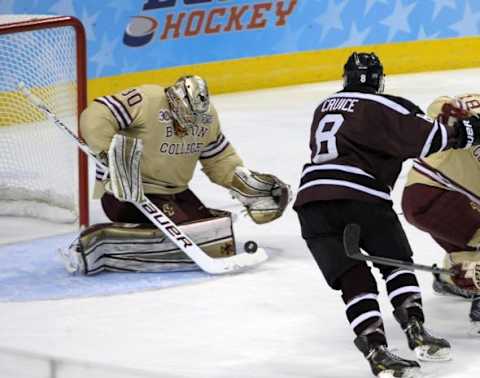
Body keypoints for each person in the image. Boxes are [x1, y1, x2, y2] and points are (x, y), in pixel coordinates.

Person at [293, 52, 480, 378]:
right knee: (396, 263)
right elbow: (429, 138)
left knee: (352, 277)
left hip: (312, 202)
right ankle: (415, 330)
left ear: (345, 78)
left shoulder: (322, 106)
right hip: (361, 197)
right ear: (379, 80)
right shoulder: (385, 104)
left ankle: (376, 349)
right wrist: (469, 130)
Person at [61, 75, 291, 275]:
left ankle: (137, 243)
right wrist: (108, 152)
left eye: (196, 117)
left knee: (211, 232)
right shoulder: (146, 100)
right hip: (127, 192)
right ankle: (100, 247)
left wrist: (245, 183)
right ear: (174, 100)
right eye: (185, 114)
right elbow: (96, 115)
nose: (190, 123)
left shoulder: (207, 117)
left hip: (176, 193)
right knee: (192, 237)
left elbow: (219, 159)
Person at [401, 94, 480, 333]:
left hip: (424, 197)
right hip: (440, 194)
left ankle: (452, 277)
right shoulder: (475, 104)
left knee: (469, 252)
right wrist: (462, 125)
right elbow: (438, 107)